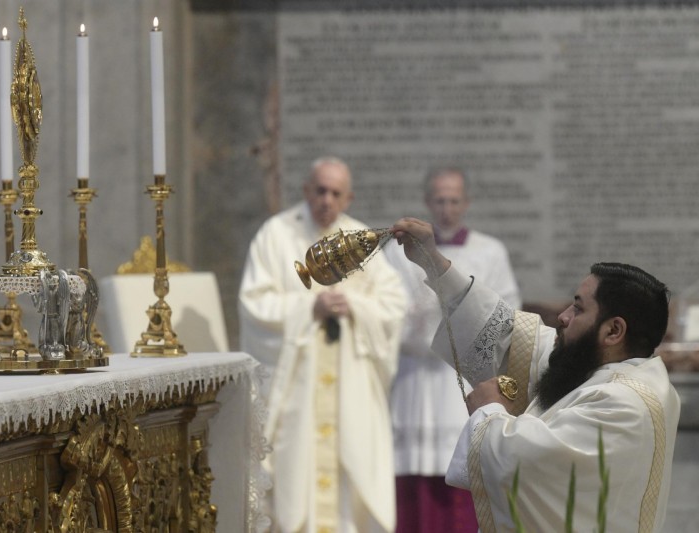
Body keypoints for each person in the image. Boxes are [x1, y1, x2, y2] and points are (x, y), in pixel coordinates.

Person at [390, 217, 680, 532]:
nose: (563, 317)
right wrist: (432, 261)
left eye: (579, 309)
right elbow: (504, 335)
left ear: (613, 331)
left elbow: (525, 464)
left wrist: (489, 412)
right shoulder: (593, 367)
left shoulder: (626, 402)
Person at [239, 157, 406, 532]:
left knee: (353, 461)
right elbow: (254, 303)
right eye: (320, 190)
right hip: (298, 383)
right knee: (295, 467)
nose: (327, 200)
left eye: (335, 193)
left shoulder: (360, 238)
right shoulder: (275, 235)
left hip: (351, 381)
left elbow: (394, 305)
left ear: (349, 198)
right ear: (305, 191)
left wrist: (355, 306)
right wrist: (308, 307)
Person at [383, 168, 520, 532]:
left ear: (466, 202)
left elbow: (505, 315)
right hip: (414, 378)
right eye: (440, 200)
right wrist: (422, 315)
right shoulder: (397, 254)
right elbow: (385, 311)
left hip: (464, 378)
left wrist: (460, 316)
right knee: (412, 484)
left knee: (464, 472)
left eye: (454, 200)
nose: (447, 209)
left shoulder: (489, 251)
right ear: (428, 202)